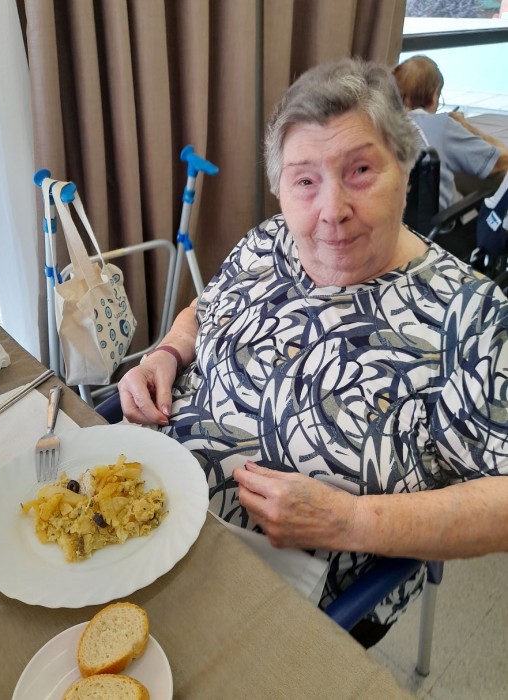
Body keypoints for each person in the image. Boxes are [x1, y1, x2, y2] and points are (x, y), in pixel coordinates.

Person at [118, 58, 508, 648]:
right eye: (305, 181)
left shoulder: (471, 318)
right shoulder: (267, 241)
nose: (331, 210)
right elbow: (203, 309)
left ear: (404, 168)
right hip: (145, 513)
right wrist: (167, 353)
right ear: (281, 189)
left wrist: (351, 522)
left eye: (359, 171)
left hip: (278, 590)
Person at [393, 54, 508, 209]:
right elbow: (502, 162)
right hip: (438, 221)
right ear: (433, 96)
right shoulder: (442, 126)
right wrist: (465, 126)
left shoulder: (378, 126)